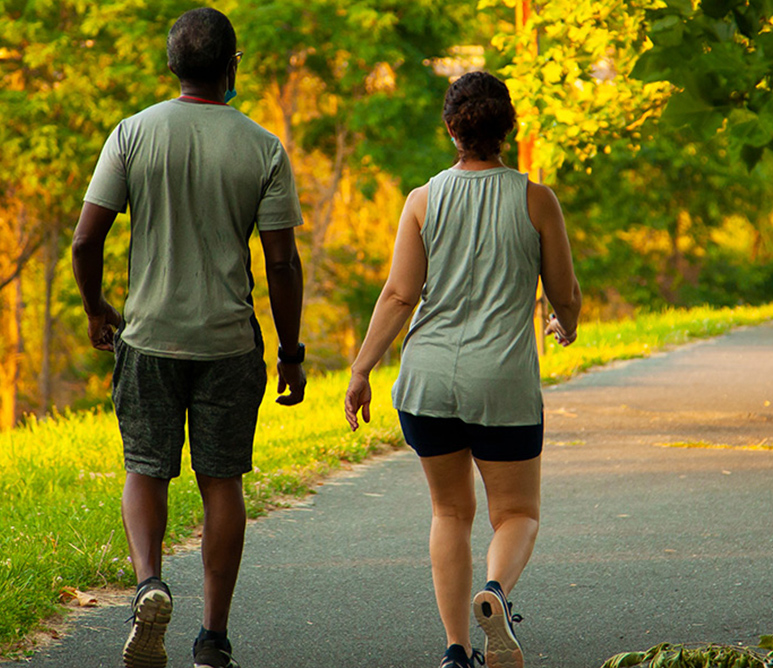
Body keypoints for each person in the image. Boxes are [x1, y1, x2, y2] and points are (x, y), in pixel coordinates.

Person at [71, 8, 306, 668]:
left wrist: (97, 309)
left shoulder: (132, 135)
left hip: (147, 339)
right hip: (229, 342)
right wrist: (290, 352)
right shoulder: (263, 146)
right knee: (221, 481)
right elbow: (282, 263)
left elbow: (87, 239)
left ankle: (149, 584)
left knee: (145, 468)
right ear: (233, 67)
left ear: (172, 66)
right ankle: (213, 638)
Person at [344, 71, 582, 668]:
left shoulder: (423, 200)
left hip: (426, 382)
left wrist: (361, 369)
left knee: (449, 512)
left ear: (451, 128)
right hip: (501, 382)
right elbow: (566, 292)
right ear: (508, 128)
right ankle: (494, 594)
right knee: (518, 514)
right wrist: (566, 325)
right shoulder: (536, 200)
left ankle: (456, 651)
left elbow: (400, 295)